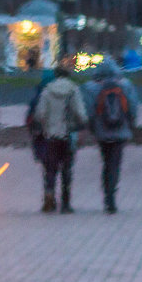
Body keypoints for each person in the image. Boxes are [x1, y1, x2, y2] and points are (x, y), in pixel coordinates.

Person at [81, 59, 139, 214]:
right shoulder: (126, 85)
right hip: (121, 131)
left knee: (106, 162)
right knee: (115, 164)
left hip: (102, 132)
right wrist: (131, 124)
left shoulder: (90, 87)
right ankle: (112, 195)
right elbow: (133, 108)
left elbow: (88, 111)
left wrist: (92, 128)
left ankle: (107, 195)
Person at [32, 65, 88, 213]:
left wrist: (46, 125)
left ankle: (49, 197)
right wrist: (80, 124)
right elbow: (81, 113)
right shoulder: (73, 90)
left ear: (56, 75)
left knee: (50, 168)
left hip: (51, 135)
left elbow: (39, 113)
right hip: (68, 134)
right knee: (67, 169)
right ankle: (66, 203)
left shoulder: (47, 90)